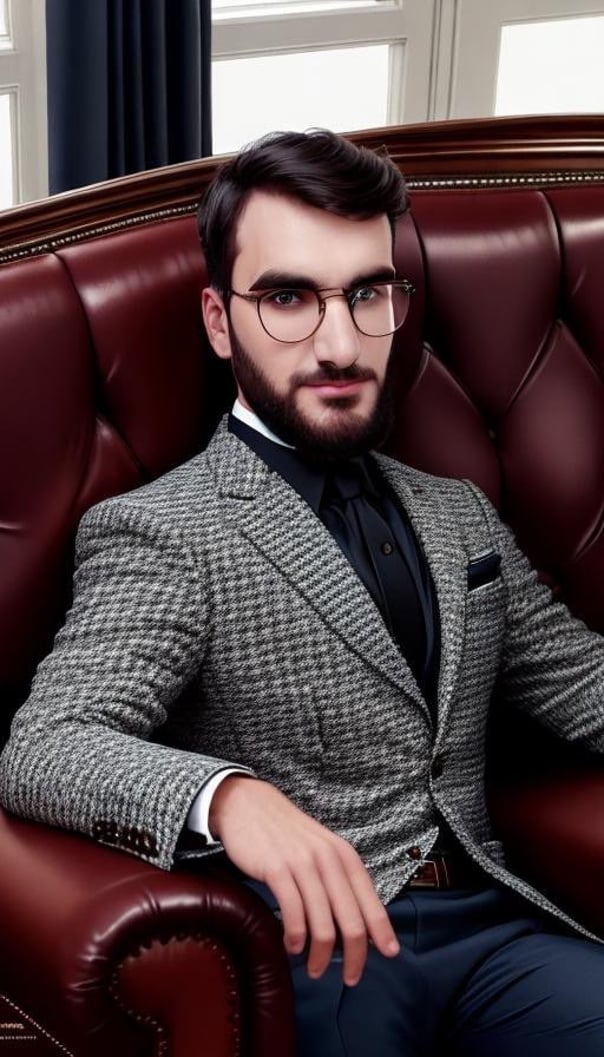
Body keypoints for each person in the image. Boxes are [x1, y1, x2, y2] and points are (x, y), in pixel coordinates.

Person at [1, 129, 604, 1056]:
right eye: (288, 298)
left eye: (367, 294)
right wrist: (230, 797)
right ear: (219, 321)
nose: (339, 343)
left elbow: (582, 684)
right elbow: (48, 745)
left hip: (498, 925)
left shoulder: (459, 514)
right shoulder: (166, 529)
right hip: (322, 956)